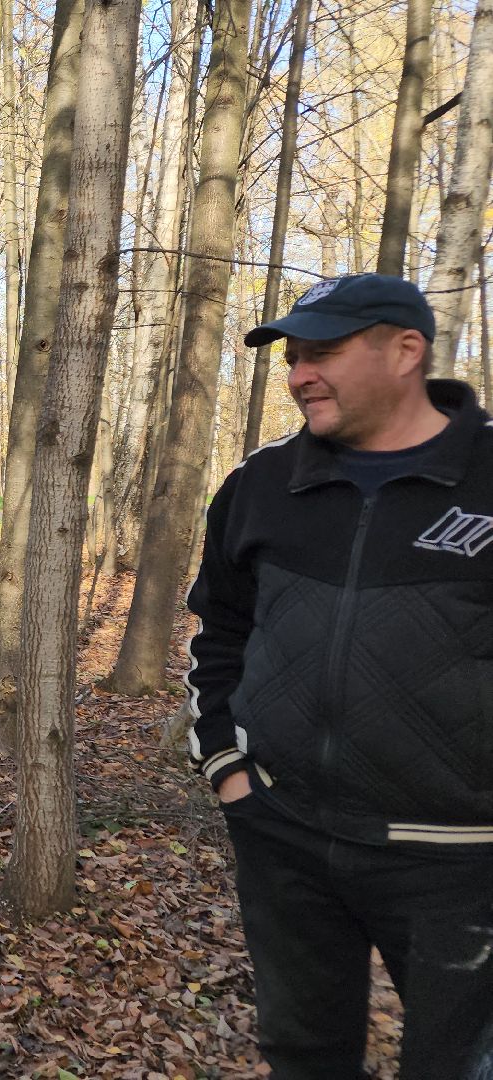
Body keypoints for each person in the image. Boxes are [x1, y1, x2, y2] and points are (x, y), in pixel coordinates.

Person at [187, 272, 493, 1080]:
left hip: (463, 864)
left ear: (406, 351)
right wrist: (229, 770)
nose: (298, 375)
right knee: (302, 1056)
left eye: (321, 353)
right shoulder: (261, 485)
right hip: (285, 837)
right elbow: (219, 631)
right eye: (292, 357)